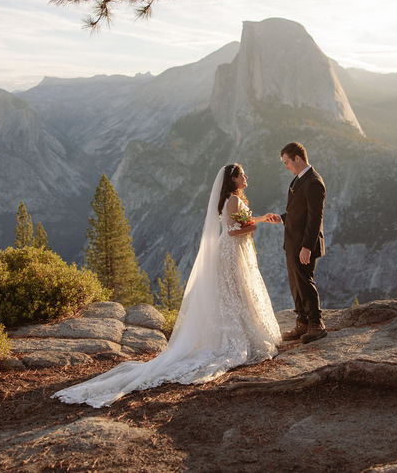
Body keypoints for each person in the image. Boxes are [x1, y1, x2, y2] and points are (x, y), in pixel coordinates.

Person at [54, 164, 281, 408]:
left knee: (234, 293)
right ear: (233, 179)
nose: (246, 177)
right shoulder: (234, 200)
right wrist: (255, 227)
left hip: (230, 251)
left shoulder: (231, 199)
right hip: (232, 252)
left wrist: (261, 219)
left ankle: (239, 333)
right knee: (236, 293)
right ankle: (240, 336)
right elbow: (234, 230)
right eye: (242, 174)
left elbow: (240, 222)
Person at [263, 142, 327, 344]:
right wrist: (281, 218)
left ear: (297, 158)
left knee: (305, 282)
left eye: (286, 162)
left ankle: (316, 324)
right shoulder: (298, 181)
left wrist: (307, 246)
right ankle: (302, 322)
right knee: (295, 283)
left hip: (304, 244)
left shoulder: (314, 182)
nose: (286, 167)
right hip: (292, 242)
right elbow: (297, 212)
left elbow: (315, 217)